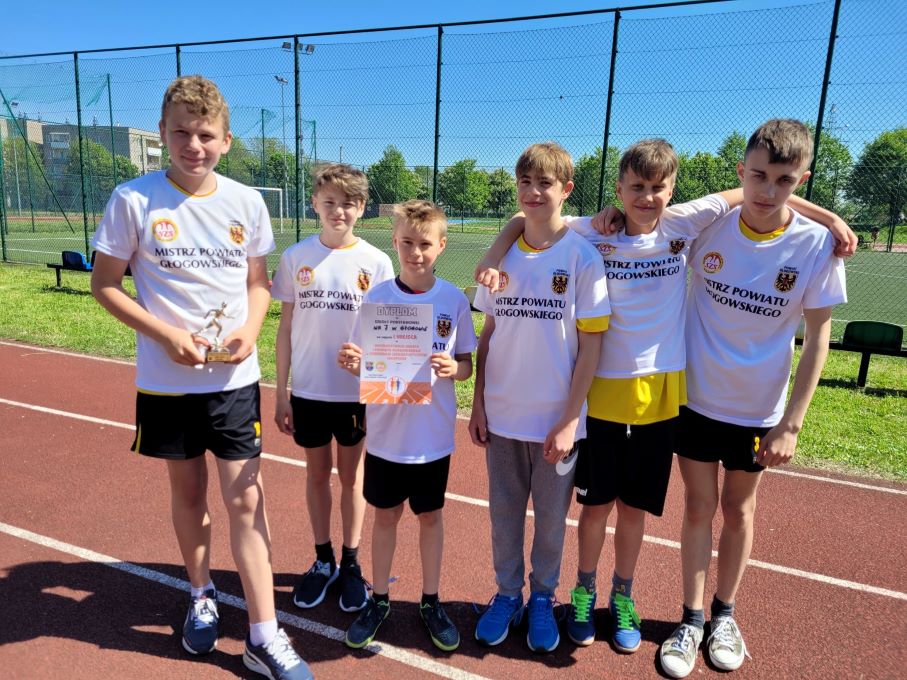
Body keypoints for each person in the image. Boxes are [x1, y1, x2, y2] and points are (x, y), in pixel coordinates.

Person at [473, 139, 854, 656]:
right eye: (636, 187)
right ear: (618, 189)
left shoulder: (682, 224)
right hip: (600, 394)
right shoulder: (594, 230)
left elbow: (752, 191)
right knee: (595, 508)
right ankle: (582, 593)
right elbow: (528, 218)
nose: (647, 197)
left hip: (662, 394)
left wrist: (828, 216)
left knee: (635, 510)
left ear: (672, 191)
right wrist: (493, 253)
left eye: (657, 188)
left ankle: (622, 596)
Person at [90, 75, 312, 680]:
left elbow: (257, 283)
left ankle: (263, 634)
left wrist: (251, 330)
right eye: (182, 132)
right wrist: (166, 335)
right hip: (167, 384)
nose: (194, 145)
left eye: (206, 135)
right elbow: (105, 285)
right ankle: (201, 593)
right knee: (188, 495)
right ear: (162, 134)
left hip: (234, 383)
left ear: (226, 141)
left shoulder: (246, 202)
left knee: (247, 499)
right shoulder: (133, 199)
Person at [659, 119, 847, 678]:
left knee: (738, 511)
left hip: (759, 410)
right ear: (741, 172)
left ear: (801, 180)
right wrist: (827, 210)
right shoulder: (709, 225)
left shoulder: (815, 245)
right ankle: (691, 620)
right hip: (695, 399)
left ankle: (724, 615)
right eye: (758, 176)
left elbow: (818, 338)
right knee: (697, 507)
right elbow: (657, 215)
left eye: (785, 180)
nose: (768, 191)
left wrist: (792, 422)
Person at [469, 142, 610, 654]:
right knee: (503, 518)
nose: (533, 192)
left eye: (544, 183)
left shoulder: (582, 258)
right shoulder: (500, 258)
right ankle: (508, 594)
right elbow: (488, 335)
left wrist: (570, 420)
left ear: (565, 190)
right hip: (503, 417)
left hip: (556, 424)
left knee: (551, 524)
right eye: (525, 182)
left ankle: (544, 598)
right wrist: (478, 403)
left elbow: (591, 347)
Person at [337, 200, 476, 651]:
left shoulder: (453, 299)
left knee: (430, 517)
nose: (416, 253)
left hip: (432, 439)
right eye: (408, 243)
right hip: (386, 438)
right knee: (386, 516)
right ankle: (379, 599)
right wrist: (353, 363)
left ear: (442, 246)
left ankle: (430, 601)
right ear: (394, 242)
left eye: (425, 244)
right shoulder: (377, 298)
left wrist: (454, 370)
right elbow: (364, 363)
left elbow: (466, 364)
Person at [271, 164, 393, 614]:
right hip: (308, 390)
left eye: (348, 203)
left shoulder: (377, 262)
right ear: (314, 204)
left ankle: (351, 562)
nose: (338, 210)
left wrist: (372, 370)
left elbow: (385, 332)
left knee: (352, 477)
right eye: (329, 202)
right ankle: (323, 560)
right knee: (316, 474)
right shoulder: (296, 257)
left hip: (356, 394)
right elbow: (285, 329)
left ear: (361, 208)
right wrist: (280, 391)